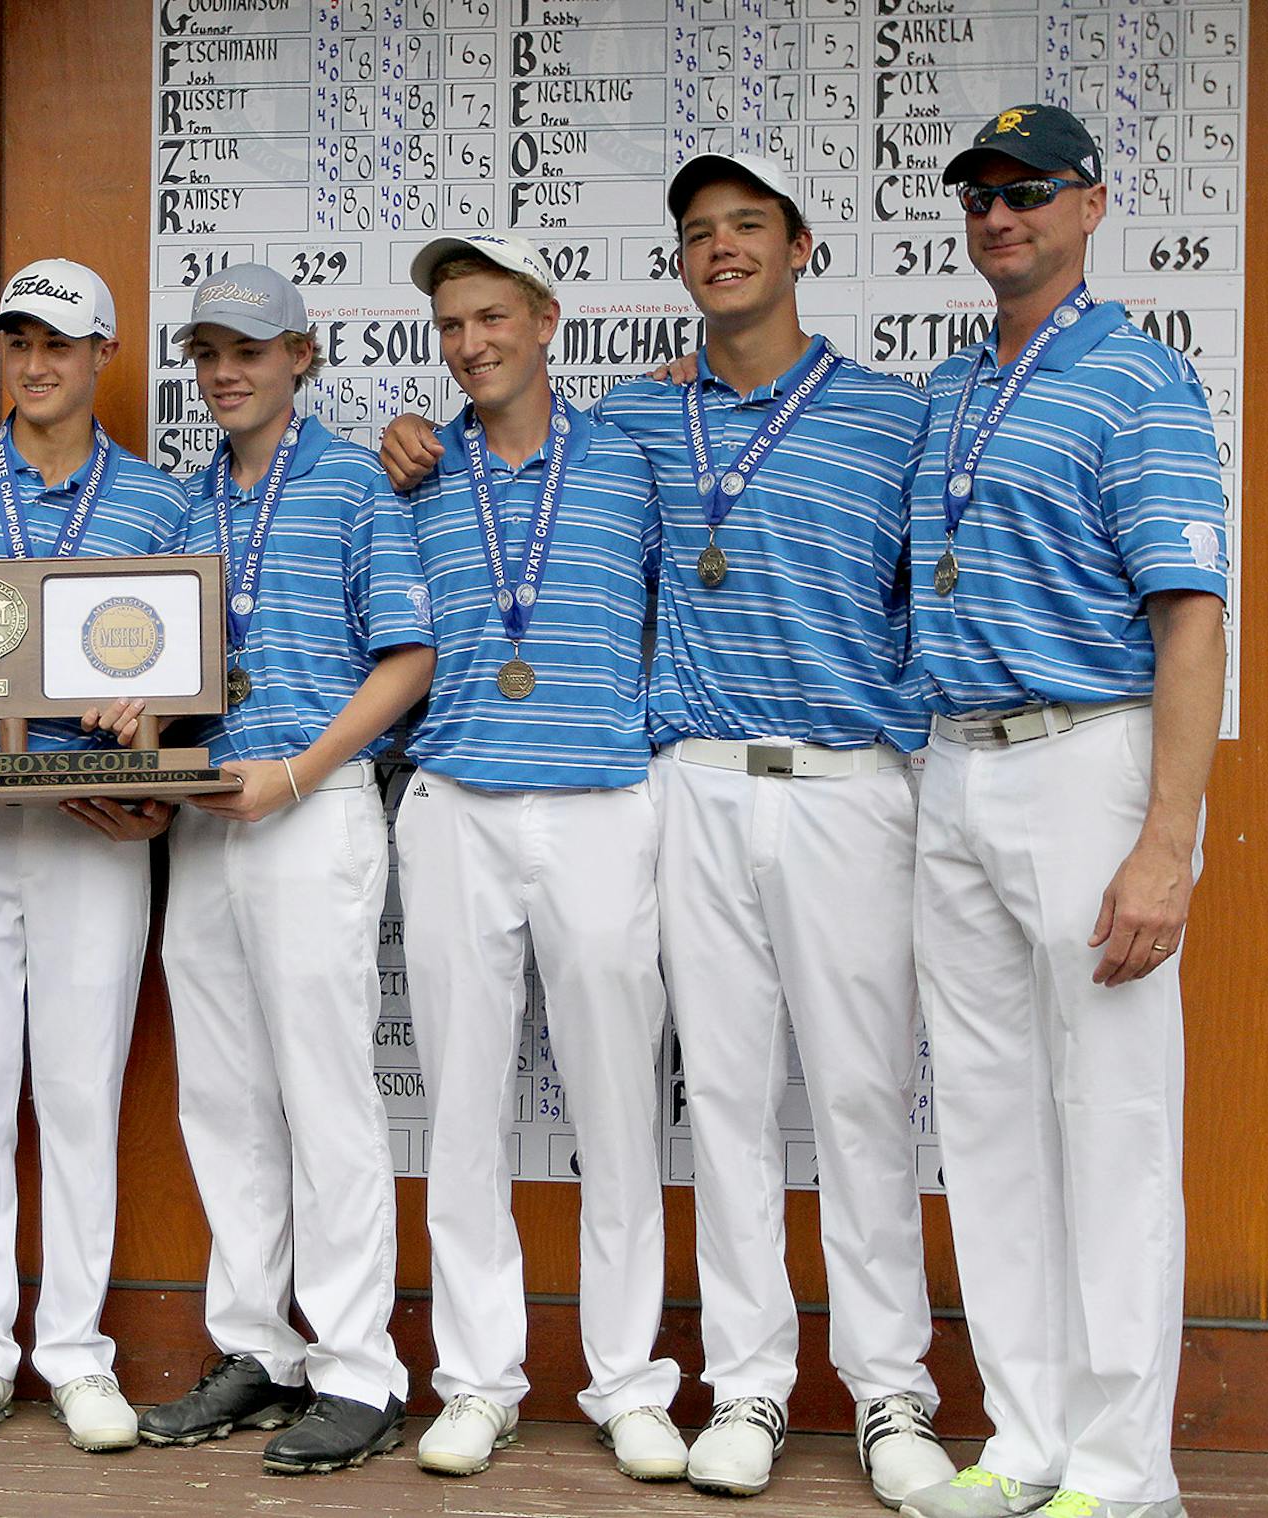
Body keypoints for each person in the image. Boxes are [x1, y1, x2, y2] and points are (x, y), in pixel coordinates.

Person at [381, 173, 958, 1503]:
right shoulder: (645, 416)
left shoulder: (889, 415)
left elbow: (939, 586)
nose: (722, 250)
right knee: (730, 1108)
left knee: (862, 1100)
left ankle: (888, 1398)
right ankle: (744, 1385)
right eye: (699, 233)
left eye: (747, 226)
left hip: (840, 780)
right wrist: (398, 441)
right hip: (687, 778)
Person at [897, 106, 1226, 1518]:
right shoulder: (958, 387)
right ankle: (1025, 1438)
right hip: (955, 763)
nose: (998, 215)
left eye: (1027, 191)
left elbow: (1193, 614)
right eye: (976, 195)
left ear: (1093, 202)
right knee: (985, 1121)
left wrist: (1166, 843)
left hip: (1092, 754)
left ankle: (1120, 1469)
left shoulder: (1138, 378)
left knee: (1113, 1119)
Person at [386, 232, 685, 1485]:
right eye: (452, 325)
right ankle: (477, 1380)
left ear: (547, 318)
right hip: (454, 801)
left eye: (493, 317)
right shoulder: (408, 470)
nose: (471, 345)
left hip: (606, 800)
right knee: (461, 1107)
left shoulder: (639, 448)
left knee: (619, 1107)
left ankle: (626, 1382)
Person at [129, 264, 433, 1475]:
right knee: (224, 1097)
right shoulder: (187, 507)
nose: (224, 372)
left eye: (248, 348)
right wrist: (138, 724)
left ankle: (361, 1368)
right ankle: (258, 1345)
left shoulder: (357, 482)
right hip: (210, 814)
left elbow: (407, 659)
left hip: (309, 811)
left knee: (325, 1097)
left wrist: (298, 774)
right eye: (207, 351)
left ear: (302, 354)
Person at [0, 259, 189, 1455]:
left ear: (103, 354)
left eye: (59, 343)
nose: (36, 362)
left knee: (78, 1091)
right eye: (17, 340)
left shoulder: (160, 502)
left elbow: (191, 665)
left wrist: (158, 753)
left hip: (89, 824)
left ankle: (73, 1353)